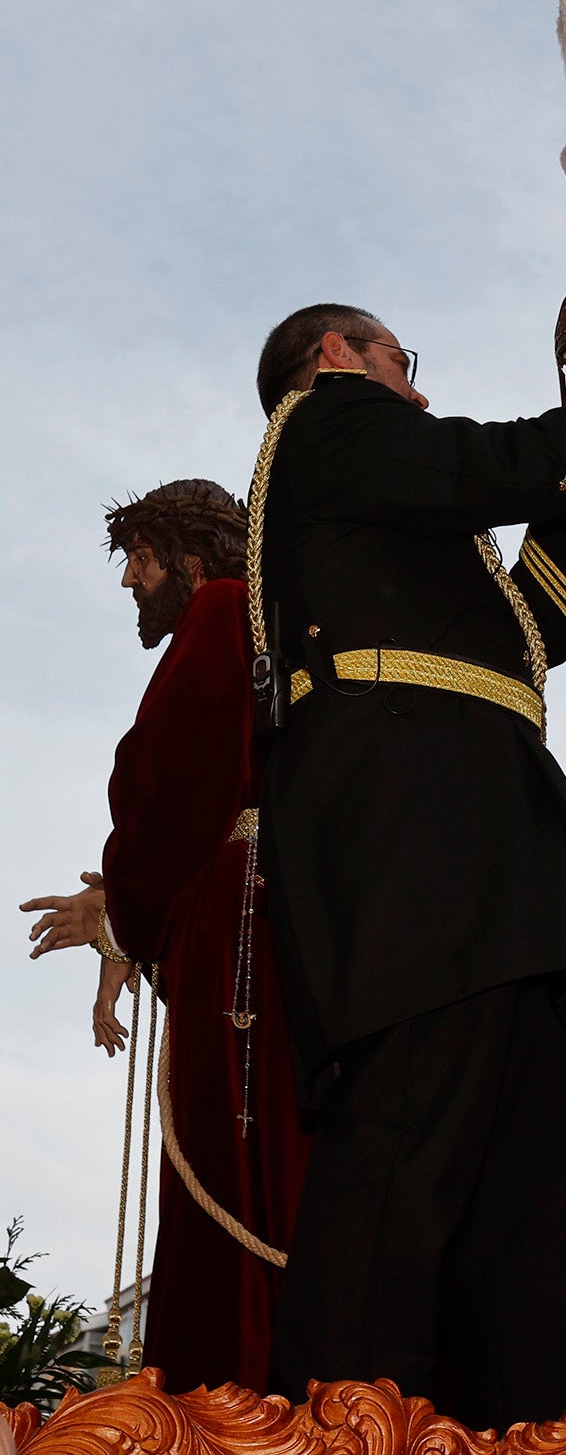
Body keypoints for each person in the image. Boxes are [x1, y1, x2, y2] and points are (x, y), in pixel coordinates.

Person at [252, 303, 566, 1429]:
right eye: (397, 361)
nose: (413, 387)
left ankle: (527, 1433)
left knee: (515, 1221)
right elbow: (493, 463)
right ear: (335, 358)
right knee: (404, 1170)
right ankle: (334, 1433)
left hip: (481, 856)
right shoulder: (329, 422)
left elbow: (537, 626)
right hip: (419, 855)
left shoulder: (394, 515)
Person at [20, 481, 312, 1395]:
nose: (129, 583)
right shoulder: (242, 620)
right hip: (232, 916)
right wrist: (128, 922)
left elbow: (177, 785)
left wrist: (118, 912)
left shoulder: (223, 610)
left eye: (139, 561)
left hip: (240, 922)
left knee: (233, 1160)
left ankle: (234, 1400)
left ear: (190, 561)